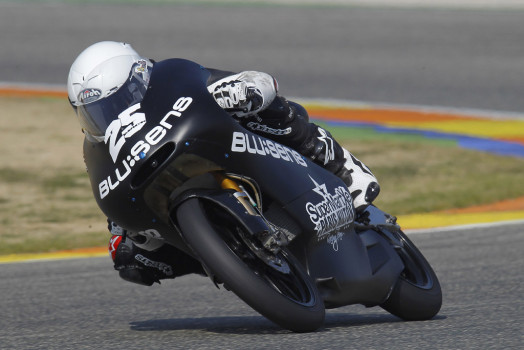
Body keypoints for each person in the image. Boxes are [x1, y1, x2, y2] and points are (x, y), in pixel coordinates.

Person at [67, 41, 380, 286]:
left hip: (226, 140)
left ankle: (340, 165)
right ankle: (230, 261)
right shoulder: (95, 149)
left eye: (113, 103)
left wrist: (244, 91)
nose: (108, 119)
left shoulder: (172, 77)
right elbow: (107, 190)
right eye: (95, 113)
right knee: (130, 260)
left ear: (137, 79)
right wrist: (124, 232)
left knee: (275, 112)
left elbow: (259, 82)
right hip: (162, 180)